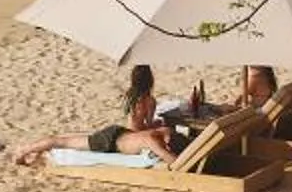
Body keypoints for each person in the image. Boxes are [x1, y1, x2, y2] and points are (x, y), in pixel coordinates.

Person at [13, 62, 175, 165]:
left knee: (65, 140)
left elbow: (135, 119)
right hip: (112, 139)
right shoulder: (150, 105)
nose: (168, 143)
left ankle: (32, 151)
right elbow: (149, 128)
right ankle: (25, 150)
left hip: (122, 133)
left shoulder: (131, 96)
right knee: (64, 142)